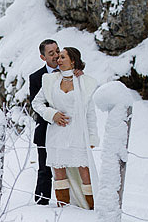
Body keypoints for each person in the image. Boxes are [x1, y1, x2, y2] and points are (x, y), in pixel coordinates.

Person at [31, 46, 99, 209]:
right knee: (59, 171)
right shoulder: (50, 80)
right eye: (57, 57)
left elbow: (90, 113)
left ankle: (91, 207)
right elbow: (36, 102)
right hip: (56, 133)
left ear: (73, 60)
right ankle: (64, 207)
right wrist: (51, 114)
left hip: (77, 132)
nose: (58, 60)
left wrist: (92, 136)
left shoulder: (85, 82)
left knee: (84, 171)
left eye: (62, 57)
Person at [27, 39, 60, 205]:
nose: (56, 55)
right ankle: (41, 202)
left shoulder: (70, 72)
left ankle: (70, 203)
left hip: (66, 128)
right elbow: (36, 106)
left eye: (57, 51)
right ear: (43, 57)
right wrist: (53, 115)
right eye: (51, 53)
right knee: (45, 168)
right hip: (46, 129)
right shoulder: (35, 77)